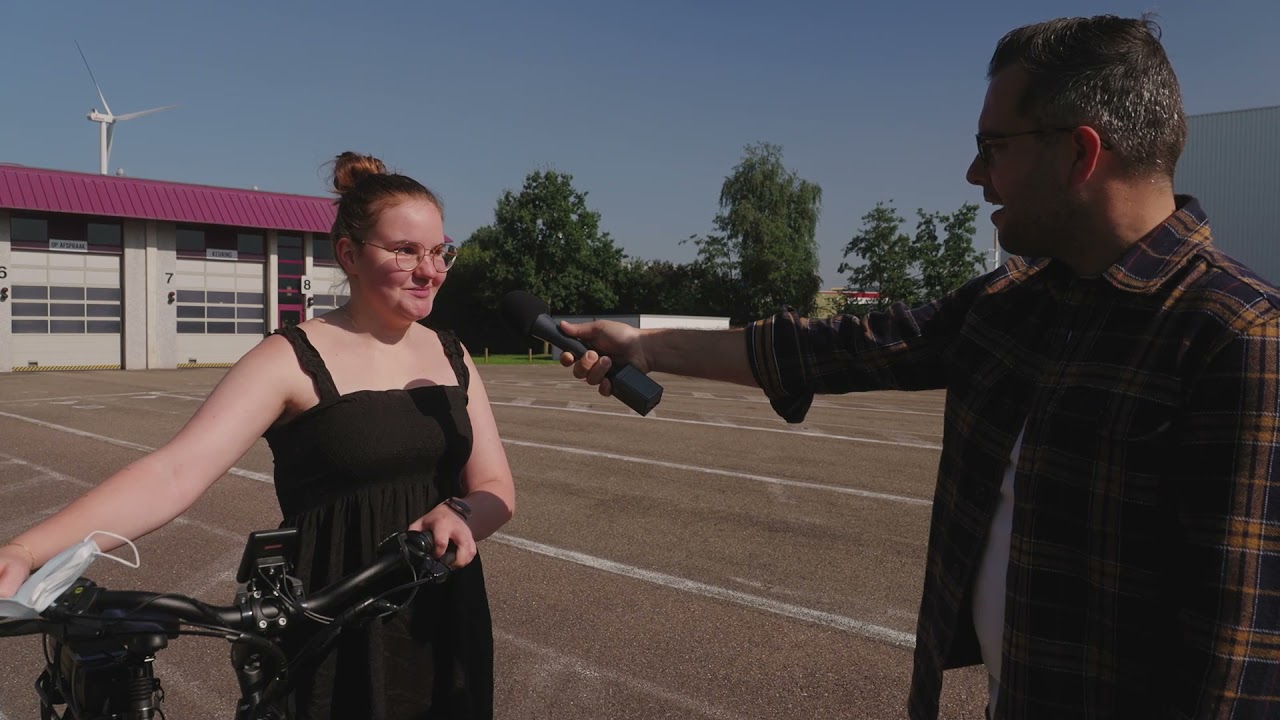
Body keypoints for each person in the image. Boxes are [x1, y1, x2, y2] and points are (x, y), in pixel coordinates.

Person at [559, 15, 1280, 720]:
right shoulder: (1012, 305)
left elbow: (1235, 663)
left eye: (992, 146)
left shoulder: (1238, 336)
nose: (974, 174)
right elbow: (836, 348)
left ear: (1079, 153)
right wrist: (644, 346)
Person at [0, 151, 515, 719]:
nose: (430, 270)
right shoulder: (289, 359)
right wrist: (27, 551)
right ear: (349, 254)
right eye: (406, 251)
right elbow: (173, 472)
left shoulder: (451, 353)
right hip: (329, 624)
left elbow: (495, 486)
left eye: (440, 251)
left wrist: (460, 515)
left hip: (445, 616)